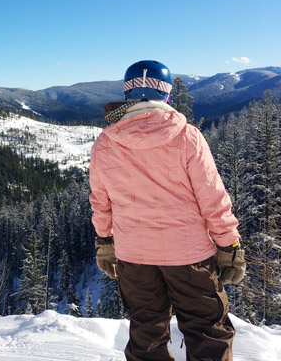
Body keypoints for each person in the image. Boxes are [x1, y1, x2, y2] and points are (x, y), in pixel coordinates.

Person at [89, 60, 246, 361]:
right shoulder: (187, 137)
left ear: (127, 94)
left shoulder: (105, 143)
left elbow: (101, 203)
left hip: (134, 257)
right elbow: (212, 198)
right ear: (167, 95)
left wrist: (106, 243)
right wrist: (229, 244)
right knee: (207, 331)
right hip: (189, 257)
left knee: (146, 332)